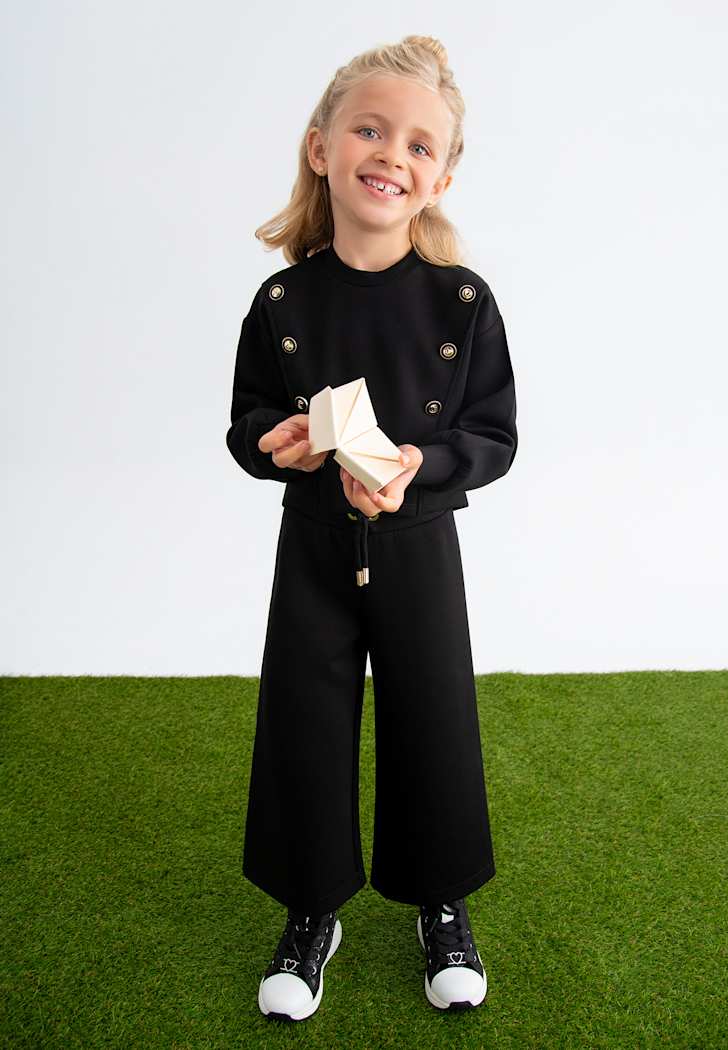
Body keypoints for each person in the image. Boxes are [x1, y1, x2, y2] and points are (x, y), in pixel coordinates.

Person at [226, 34, 518, 1022]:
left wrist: (417, 468)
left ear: (441, 179)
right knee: (304, 721)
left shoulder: (463, 302)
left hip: (417, 545)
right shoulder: (281, 300)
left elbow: (493, 437)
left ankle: (443, 904)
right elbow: (245, 420)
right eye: (370, 131)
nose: (392, 155)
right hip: (312, 546)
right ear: (321, 147)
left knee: (433, 717)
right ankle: (311, 911)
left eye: (419, 145)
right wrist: (276, 442)